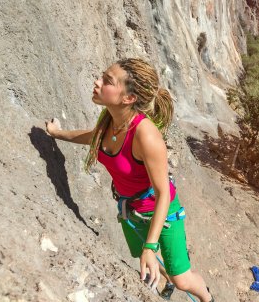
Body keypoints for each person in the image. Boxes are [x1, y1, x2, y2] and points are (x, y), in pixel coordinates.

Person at [45, 58, 213, 302]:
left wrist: (151, 245)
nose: (97, 82)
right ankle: (164, 282)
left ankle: (207, 298)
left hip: (163, 215)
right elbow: (95, 138)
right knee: (147, 260)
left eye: (107, 81)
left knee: (182, 279)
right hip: (130, 210)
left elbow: (163, 194)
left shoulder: (145, 135)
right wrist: (57, 133)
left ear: (128, 98)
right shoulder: (110, 121)